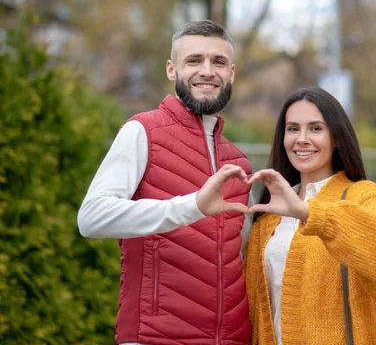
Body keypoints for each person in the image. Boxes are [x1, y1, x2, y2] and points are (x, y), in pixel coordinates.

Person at [77, 20, 254, 345]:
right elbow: (91, 218)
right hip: (154, 337)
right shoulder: (142, 131)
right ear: (172, 70)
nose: (207, 71)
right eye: (193, 61)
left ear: (231, 73)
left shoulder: (239, 162)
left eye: (218, 62)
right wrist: (191, 207)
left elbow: (242, 258)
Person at [243, 86, 376, 344]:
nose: (301, 139)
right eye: (293, 129)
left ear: (336, 138)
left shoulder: (363, 195)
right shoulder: (267, 219)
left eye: (315, 128)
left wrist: (306, 211)